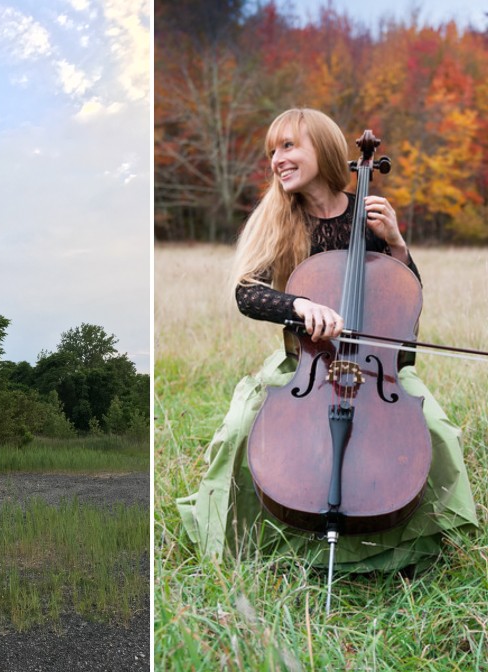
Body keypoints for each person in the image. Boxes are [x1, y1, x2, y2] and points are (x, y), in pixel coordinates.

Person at [176, 108, 478, 572]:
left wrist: (396, 245)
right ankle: (244, 544)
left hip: (376, 369)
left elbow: (405, 305)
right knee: (240, 430)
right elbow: (247, 292)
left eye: (289, 146)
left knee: (436, 430)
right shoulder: (279, 216)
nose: (277, 158)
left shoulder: (367, 214)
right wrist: (298, 306)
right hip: (306, 364)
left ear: (323, 147)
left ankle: (417, 547)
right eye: (272, 150)